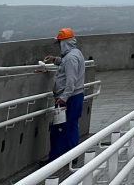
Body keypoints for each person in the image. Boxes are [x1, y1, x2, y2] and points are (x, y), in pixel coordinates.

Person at [47, 27, 87, 164]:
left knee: (61, 128)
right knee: (70, 126)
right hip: (75, 97)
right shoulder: (76, 54)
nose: (59, 46)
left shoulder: (70, 58)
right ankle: (71, 156)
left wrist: (64, 97)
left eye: (59, 43)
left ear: (64, 42)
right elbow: (66, 64)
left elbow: (71, 80)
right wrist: (56, 60)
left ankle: (58, 159)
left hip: (69, 98)